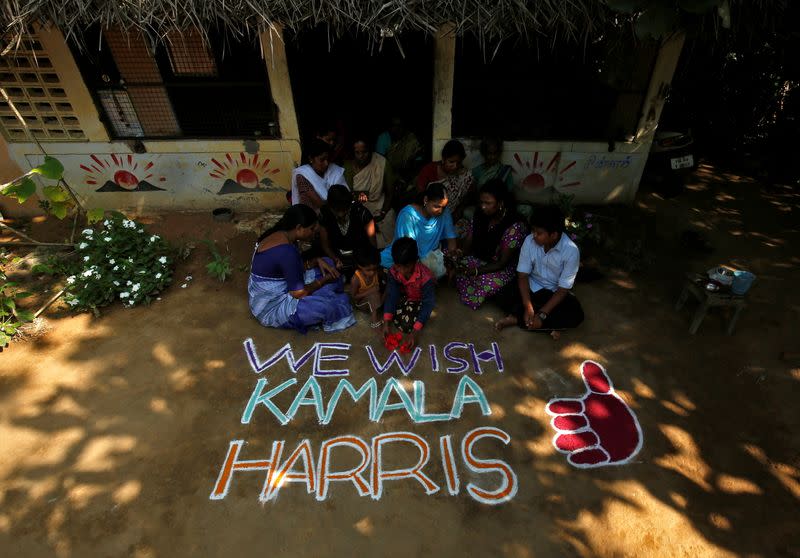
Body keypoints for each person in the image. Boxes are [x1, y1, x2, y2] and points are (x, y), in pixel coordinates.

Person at [248, 204, 355, 333]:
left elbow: (288, 270)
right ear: (299, 228)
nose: (315, 231)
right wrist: (324, 280)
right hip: (270, 308)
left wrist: (316, 261)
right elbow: (299, 293)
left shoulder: (282, 235)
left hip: (284, 287)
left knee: (327, 262)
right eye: (312, 228)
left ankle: (330, 291)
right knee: (327, 307)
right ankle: (330, 296)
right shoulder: (287, 251)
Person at [495, 205, 584, 338]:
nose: (534, 235)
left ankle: (517, 319)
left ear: (553, 235)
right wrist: (528, 306)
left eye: (539, 233)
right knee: (501, 295)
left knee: (576, 314)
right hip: (530, 286)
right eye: (533, 231)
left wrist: (542, 314)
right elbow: (523, 276)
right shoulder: (529, 240)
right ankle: (543, 325)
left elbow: (562, 290)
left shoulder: (571, 251)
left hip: (552, 293)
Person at [454, 179, 527, 310]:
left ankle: (474, 286)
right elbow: (468, 242)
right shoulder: (479, 214)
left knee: (482, 281)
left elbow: (502, 263)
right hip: (479, 258)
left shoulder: (513, 226)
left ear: (500, 203)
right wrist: (458, 255)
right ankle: (469, 283)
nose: (483, 206)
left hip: (500, 267)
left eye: (488, 203)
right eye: (481, 202)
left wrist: (476, 271)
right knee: (451, 260)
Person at [381, 182, 457, 278]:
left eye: (443, 207)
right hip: (405, 260)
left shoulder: (444, 213)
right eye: (436, 206)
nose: (440, 211)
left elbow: (451, 241)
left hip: (430, 257)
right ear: (426, 200)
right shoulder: (408, 216)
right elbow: (407, 251)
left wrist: (452, 260)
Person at [382, 237, 436, 350]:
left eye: (406, 266)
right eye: (398, 266)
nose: (401, 270)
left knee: (408, 324)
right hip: (404, 296)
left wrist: (415, 332)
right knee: (386, 304)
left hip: (418, 300)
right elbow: (392, 295)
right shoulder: (394, 271)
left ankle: (413, 322)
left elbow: (428, 304)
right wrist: (386, 322)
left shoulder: (426, 278)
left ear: (415, 261)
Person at [343, 137, 396, 248]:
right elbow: (349, 195)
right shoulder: (348, 167)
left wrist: (383, 213)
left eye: (364, 152)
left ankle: (386, 254)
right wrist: (367, 215)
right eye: (357, 153)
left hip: (379, 204)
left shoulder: (381, 163)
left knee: (390, 217)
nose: (361, 156)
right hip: (356, 206)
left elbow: (390, 192)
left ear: (371, 150)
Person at [318, 184, 377, 276]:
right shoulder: (325, 215)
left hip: (360, 260)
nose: (341, 214)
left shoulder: (362, 214)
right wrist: (335, 259)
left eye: (344, 210)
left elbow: (372, 246)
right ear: (330, 207)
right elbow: (325, 245)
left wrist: (367, 263)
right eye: (337, 211)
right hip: (336, 259)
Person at [416, 139, 475, 218]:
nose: (455, 166)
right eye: (451, 162)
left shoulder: (465, 176)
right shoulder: (429, 170)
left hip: (452, 216)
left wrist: (457, 212)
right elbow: (420, 196)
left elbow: (468, 197)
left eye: (459, 163)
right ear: (443, 159)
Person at [375, 116, 424, 209]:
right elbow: (379, 163)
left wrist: (405, 179)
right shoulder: (383, 138)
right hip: (388, 175)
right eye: (394, 126)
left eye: (400, 126)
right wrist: (394, 178)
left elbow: (417, 165)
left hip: (407, 176)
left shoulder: (411, 140)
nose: (397, 129)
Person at [291, 139, 348, 211]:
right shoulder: (303, 174)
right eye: (322, 160)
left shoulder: (335, 170)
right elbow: (319, 203)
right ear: (311, 159)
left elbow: (345, 196)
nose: (326, 163)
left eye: (328, 159)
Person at [350, 245, 385, 329]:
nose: (372, 273)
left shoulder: (377, 271)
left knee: (389, 289)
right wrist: (370, 291)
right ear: (360, 266)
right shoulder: (356, 279)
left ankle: (383, 311)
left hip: (376, 300)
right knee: (374, 295)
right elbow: (354, 297)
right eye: (368, 270)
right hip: (362, 303)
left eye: (374, 269)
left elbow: (385, 279)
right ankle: (374, 321)